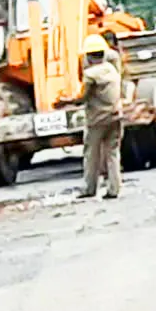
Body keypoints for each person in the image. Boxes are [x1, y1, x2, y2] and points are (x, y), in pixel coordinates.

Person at [57, 35, 123, 199]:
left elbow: (82, 97)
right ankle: (114, 189)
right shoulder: (111, 69)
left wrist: (65, 102)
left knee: (91, 154)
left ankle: (90, 188)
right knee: (112, 153)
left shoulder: (90, 75)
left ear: (88, 56)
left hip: (97, 120)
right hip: (115, 116)